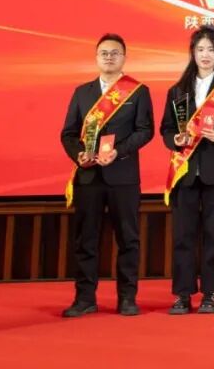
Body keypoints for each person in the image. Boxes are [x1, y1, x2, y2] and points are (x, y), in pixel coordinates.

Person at [60, 33, 153, 317]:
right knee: (85, 240)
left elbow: (145, 130)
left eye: (115, 53)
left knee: (128, 240)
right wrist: (79, 154)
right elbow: (68, 133)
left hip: (123, 176)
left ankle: (127, 298)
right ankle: (84, 298)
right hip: (88, 177)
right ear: (96, 57)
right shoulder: (82, 92)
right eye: (104, 53)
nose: (109, 57)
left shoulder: (138, 92)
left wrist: (118, 151)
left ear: (124, 57)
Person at [161, 27, 214, 314]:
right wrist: (175, 139)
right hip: (184, 171)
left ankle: (211, 293)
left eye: (211, 49)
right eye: (200, 49)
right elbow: (166, 129)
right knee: (183, 235)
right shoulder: (177, 90)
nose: (206, 55)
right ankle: (183, 294)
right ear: (193, 53)